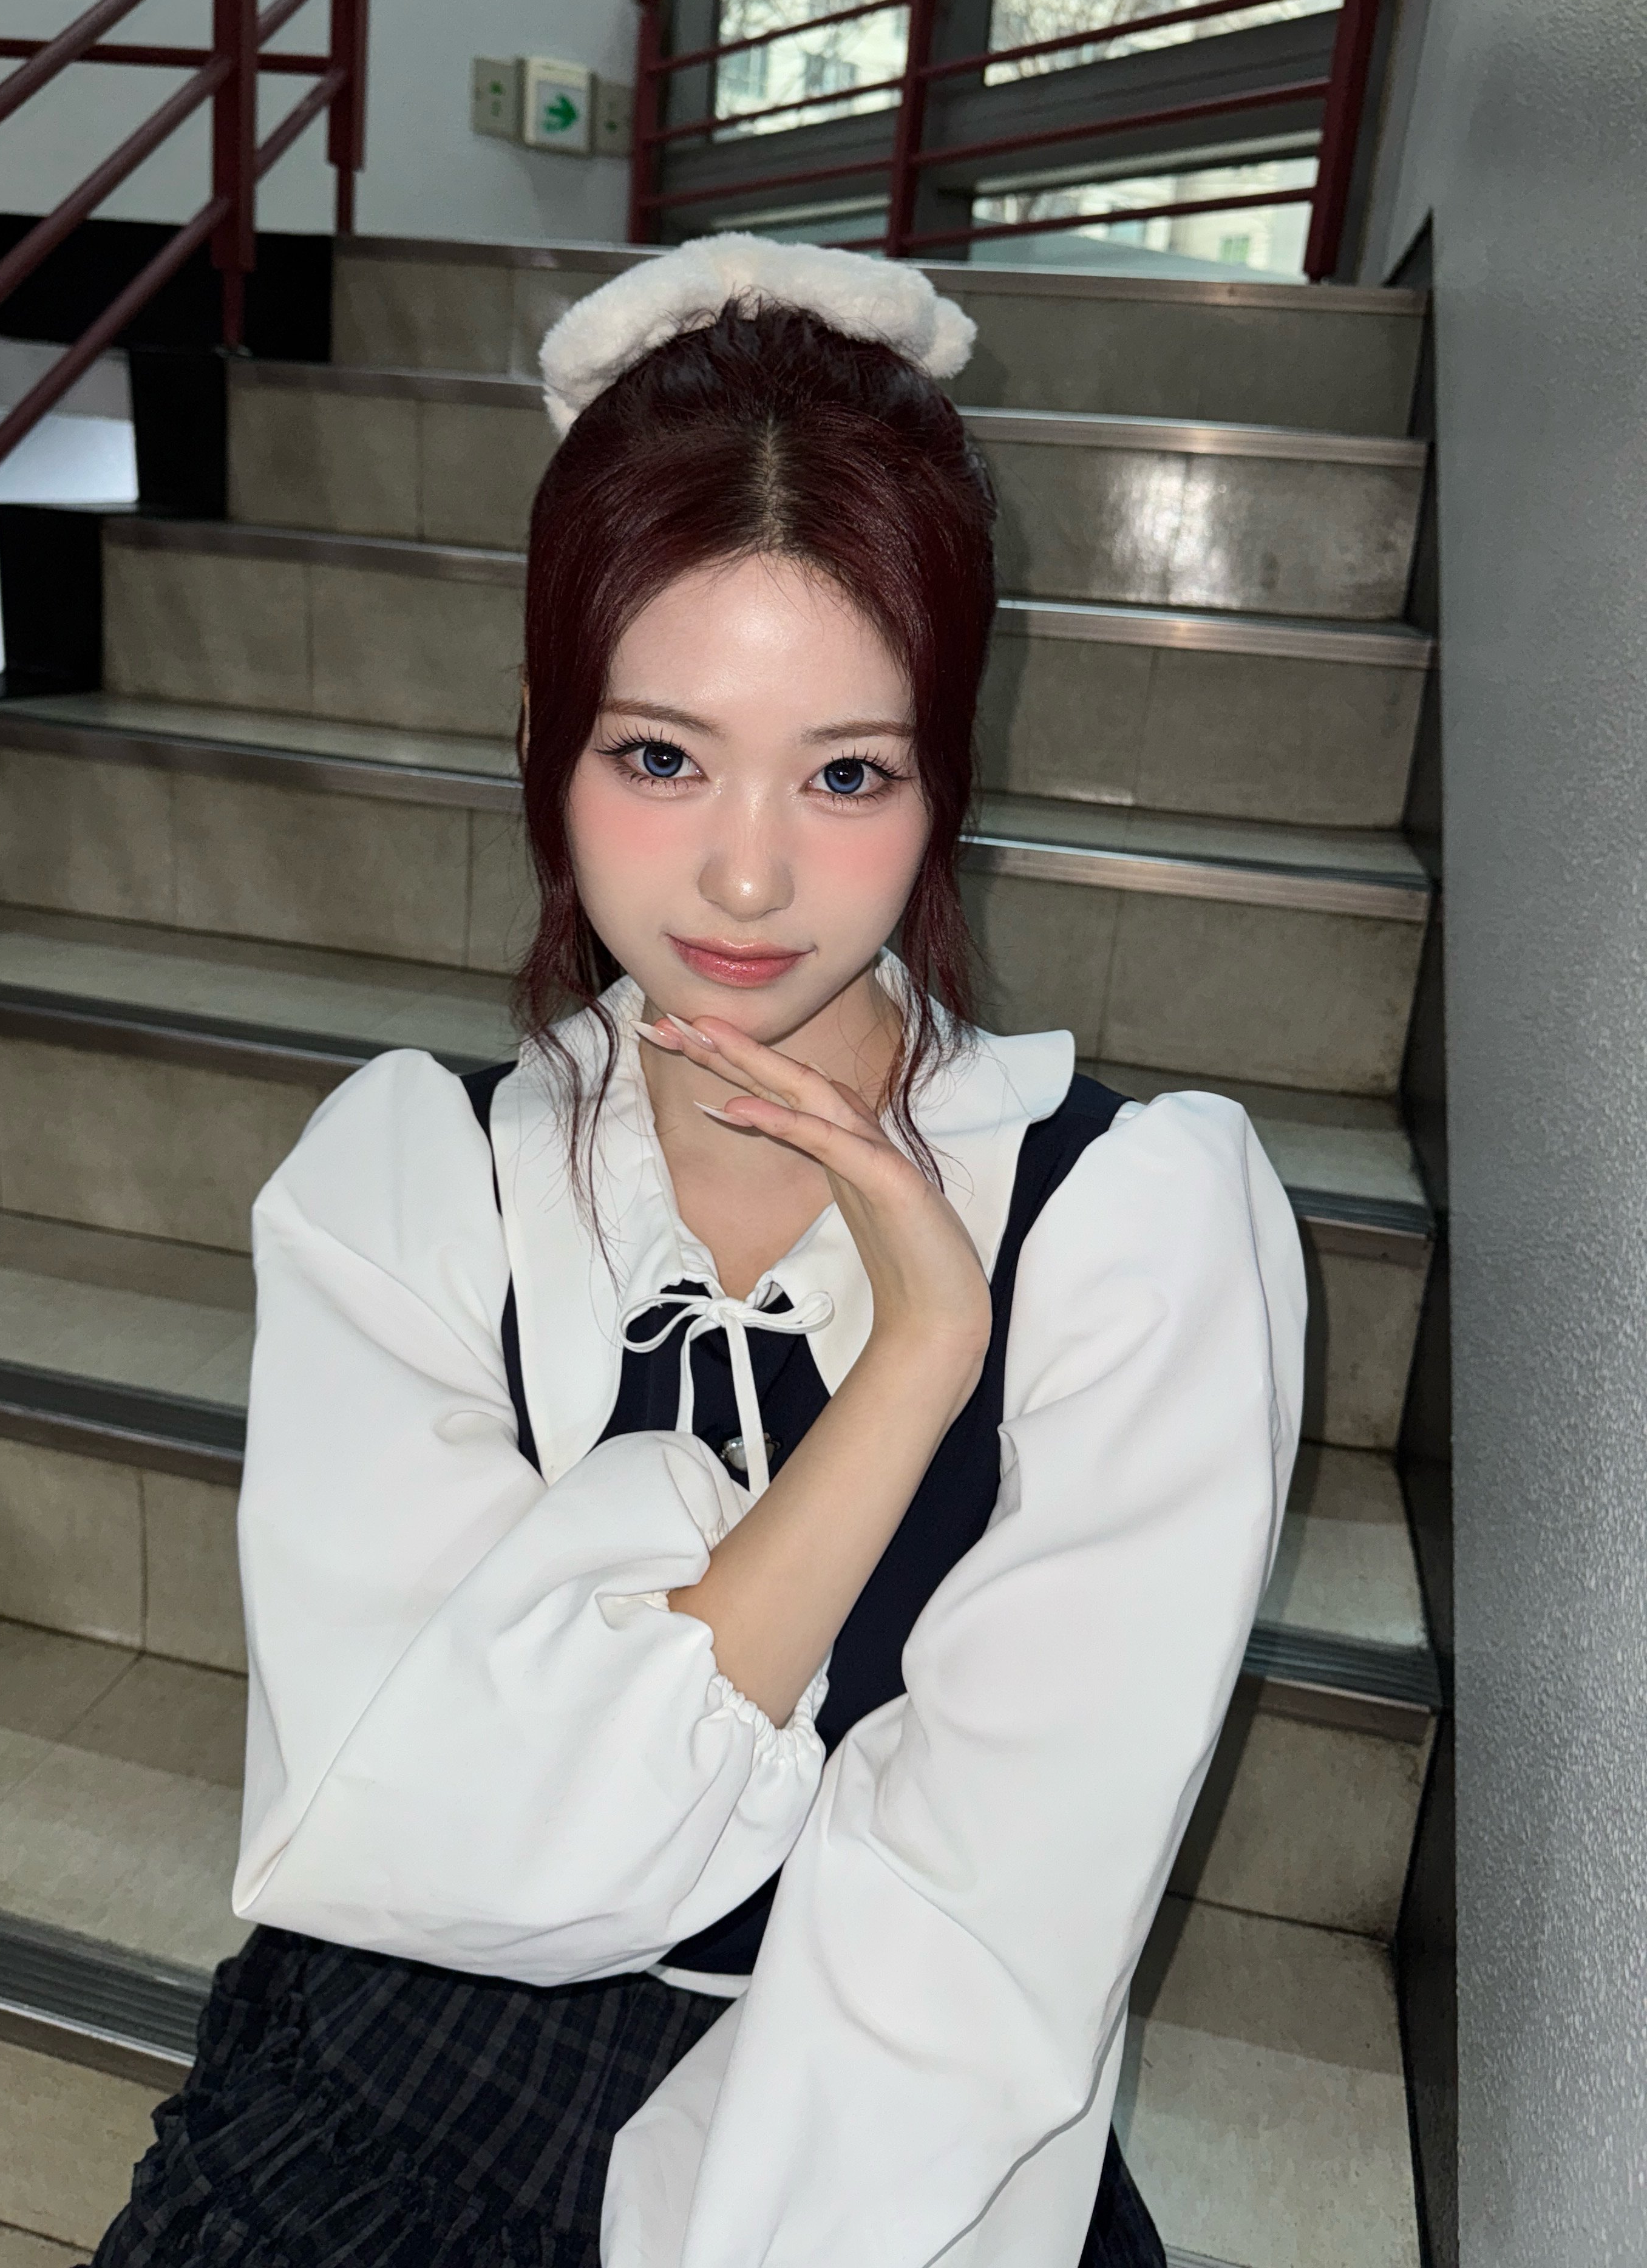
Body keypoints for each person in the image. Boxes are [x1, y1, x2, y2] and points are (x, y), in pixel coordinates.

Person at [92, 236, 1305, 2268]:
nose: (747, 877)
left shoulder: (1133, 1226)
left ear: (944, 779)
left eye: (848, 773)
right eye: (661, 756)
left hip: (889, 2161)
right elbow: (426, 1830)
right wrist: (912, 1368)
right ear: (547, 746)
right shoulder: (413, 1186)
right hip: (392, 2084)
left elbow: (995, 1926)